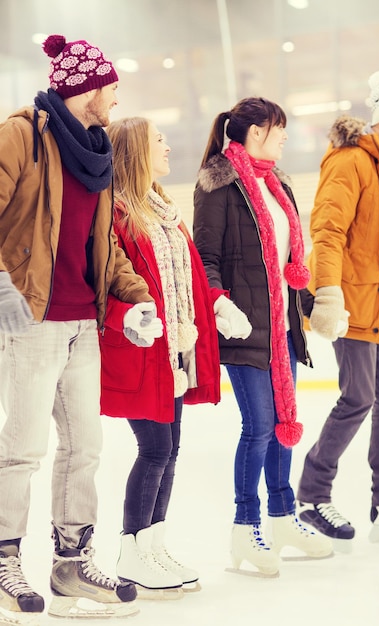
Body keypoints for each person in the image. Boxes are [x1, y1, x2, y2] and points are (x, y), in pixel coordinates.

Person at [0, 34, 164, 620]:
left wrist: (136, 298)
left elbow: (106, 247)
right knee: (21, 450)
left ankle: (71, 564)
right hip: (32, 318)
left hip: (81, 322)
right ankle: (4, 559)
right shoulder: (23, 134)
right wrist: (6, 297)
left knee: (84, 449)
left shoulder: (95, 152)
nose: (116, 100)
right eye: (112, 88)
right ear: (86, 88)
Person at [193, 96, 333, 577]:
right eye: (279, 129)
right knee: (257, 428)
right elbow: (206, 256)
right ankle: (244, 526)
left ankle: (283, 516)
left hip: (284, 328)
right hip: (245, 327)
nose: (286, 137)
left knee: (282, 428)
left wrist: (315, 308)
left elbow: (288, 264)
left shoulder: (279, 186)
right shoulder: (219, 184)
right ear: (255, 132)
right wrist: (217, 302)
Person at [99, 116, 220, 598]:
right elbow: (110, 280)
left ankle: (153, 543)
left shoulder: (165, 211)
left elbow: (188, 279)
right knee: (154, 450)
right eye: (159, 140)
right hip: (141, 350)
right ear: (134, 153)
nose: (169, 147)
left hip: (174, 352)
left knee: (168, 451)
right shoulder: (120, 213)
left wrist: (215, 304)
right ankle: (131, 553)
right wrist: (132, 316)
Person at [297, 71, 379, 547]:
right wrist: (328, 294)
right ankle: (311, 494)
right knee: (359, 398)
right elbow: (327, 231)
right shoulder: (349, 162)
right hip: (354, 298)